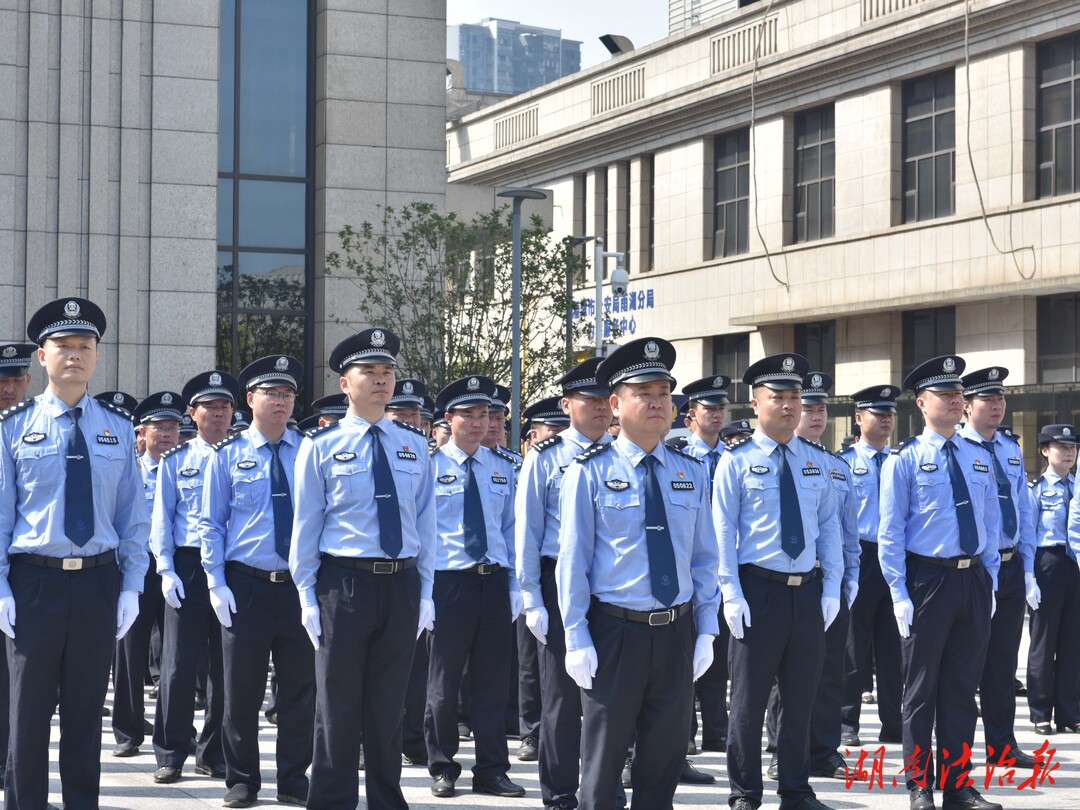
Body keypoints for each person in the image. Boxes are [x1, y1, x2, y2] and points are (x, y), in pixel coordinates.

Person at [558, 338, 720, 810]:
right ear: (615, 404)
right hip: (614, 634)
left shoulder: (691, 471)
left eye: (664, 392)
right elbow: (574, 561)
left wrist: (707, 628)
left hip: (675, 632)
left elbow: (704, 558)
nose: (656, 401)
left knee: (662, 765)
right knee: (603, 767)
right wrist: (575, 634)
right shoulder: (587, 472)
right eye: (643, 391)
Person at [0, 297, 149, 809]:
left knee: (86, 713)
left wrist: (132, 584)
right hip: (33, 582)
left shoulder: (117, 427)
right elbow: (1, 514)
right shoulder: (12, 427)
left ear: (96, 356)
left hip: (97, 582)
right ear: (42, 356)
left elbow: (133, 516)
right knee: (28, 712)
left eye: (84, 346)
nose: (75, 355)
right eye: (63, 346)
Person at [291, 328, 436, 810]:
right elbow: (306, 527)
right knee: (337, 704)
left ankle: (386, 800)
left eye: (387, 372)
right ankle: (330, 800)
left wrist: (426, 594)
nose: (381, 380)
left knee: (388, 706)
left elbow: (426, 526)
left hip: (400, 583)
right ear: (345, 383)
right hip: (343, 585)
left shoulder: (414, 446)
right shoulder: (321, 446)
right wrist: (307, 595)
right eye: (369, 373)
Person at [713, 353, 842, 810]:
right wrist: (730, 592)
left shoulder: (816, 461)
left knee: (801, 698)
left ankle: (796, 789)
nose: (789, 406)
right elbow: (722, 531)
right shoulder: (736, 461)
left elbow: (829, 527)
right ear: (754, 403)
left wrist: (831, 588)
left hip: (805, 591)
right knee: (747, 703)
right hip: (757, 591)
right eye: (778, 397)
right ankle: (745, 791)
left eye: (794, 397)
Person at [878, 355, 1002, 810]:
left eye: (958, 394)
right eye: (945, 395)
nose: (955, 401)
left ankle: (958, 786)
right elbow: (890, 532)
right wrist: (897, 592)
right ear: (921, 402)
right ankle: (918, 785)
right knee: (921, 690)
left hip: (973, 580)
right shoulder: (906, 459)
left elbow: (989, 520)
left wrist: (990, 579)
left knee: (961, 690)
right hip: (927, 580)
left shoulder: (979, 455)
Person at [200, 355, 313, 808]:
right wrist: (215, 581)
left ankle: (294, 778)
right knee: (241, 691)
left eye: (287, 394)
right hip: (244, 585)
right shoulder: (228, 455)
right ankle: (242, 778)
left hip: (296, 585)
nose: (282, 401)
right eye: (272, 394)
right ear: (251, 400)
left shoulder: (309, 451)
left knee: (299, 691)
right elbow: (212, 523)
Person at [425, 375, 525, 799]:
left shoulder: (504, 467)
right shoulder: (428, 467)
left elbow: (512, 530)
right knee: (444, 684)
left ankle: (492, 769)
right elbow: (420, 532)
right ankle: (443, 766)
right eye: (469, 414)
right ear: (449, 419)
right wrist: (423, 591)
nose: (480, 423)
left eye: (486, 414)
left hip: (493, 583)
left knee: (492, 683)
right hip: (448, 584)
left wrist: (517, 585)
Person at [516, 358, 610, 809]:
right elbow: (528, 534)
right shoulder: (546, 458)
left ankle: (603, 786)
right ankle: (558, 792)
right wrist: (531, 596)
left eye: (602, 400)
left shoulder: (621, 453)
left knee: (609, 694)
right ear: (567, 404)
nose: (598, 408)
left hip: (611, 586)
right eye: (588, 400)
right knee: (560, 696)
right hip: (558, 583)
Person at [764, 372, 860, 782]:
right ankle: (780, 749)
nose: (816, 415)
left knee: (827, 667)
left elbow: (847, 527)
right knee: (783, 675)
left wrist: (849, 576)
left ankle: (824, 749)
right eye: (811, 407)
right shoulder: (774, 458)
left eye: (822, 408)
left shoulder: (836, 466)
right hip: (785, 578)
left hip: (827, 579)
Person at [150, 370, 239, 783]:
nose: (218, 414)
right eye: (210, 407)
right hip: (187, 567)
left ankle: (214, 751)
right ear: (193, 413)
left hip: (233, 570)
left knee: (227, 668)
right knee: (178, 665)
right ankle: (170, 750)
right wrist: (166, 570)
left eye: (224, 407)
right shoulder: (176, 461)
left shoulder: (245, 456)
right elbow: (162, 521)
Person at [959, 367, 1039, 768]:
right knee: (966, 662)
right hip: (974, 569)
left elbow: (1022, 508)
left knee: (1004, 661)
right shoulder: (957, 449)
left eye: (1000, 398)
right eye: (987, 399)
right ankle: (958, 752)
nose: (996, 405)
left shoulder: (1008, 448)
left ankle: (1002, 745)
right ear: (967, 406)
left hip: (1011, 565)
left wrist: (1027, 568)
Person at [111, 391, 183, 758]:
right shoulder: (128, 469)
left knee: (173, 657)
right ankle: (128, 729)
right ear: (142, 432)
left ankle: (170, 735)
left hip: (174, 569)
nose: (169, 433)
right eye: (160, 427)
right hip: (135, 568)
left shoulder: (185, 468)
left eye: (173, 426)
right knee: (129, 652)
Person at [840, 385, 903, 747]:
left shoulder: (900, 461)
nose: (885, 420)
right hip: (860, 557)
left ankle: (894, 722)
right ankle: (847, 721)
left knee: (893, 647)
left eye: (890, 414)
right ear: (859, 419)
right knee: (853, 646)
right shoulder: (844, 462)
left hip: (894, 556)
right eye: (877, 414)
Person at [679, 375, 733, 762]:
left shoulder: (734, 457)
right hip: (688, 564)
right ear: (689, 418)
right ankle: (686, 734)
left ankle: (717, 729)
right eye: (708, 409)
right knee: (685, 654)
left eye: (720, 408)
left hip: (726, 566)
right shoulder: (681, 458)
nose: (717, 414)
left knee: (719, 649)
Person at [0, 340, 38, 789]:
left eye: (15, 380)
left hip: (21, 575)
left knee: (16, 683)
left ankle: (11, 768)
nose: (8, 389)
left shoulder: (33, 429)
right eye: (1, 381)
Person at [1034, 425, 1080, 734]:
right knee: (1043, 639)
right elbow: (1027, 535)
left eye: (1072, 447)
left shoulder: (1078, 487)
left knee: (1072, 641)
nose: (1068, 452)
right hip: (1047, 563)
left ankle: (1069, 712)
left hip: (1075, 563)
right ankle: (1040, 712)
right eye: (1060, 446)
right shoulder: (1035, 489)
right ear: (1044, 451)